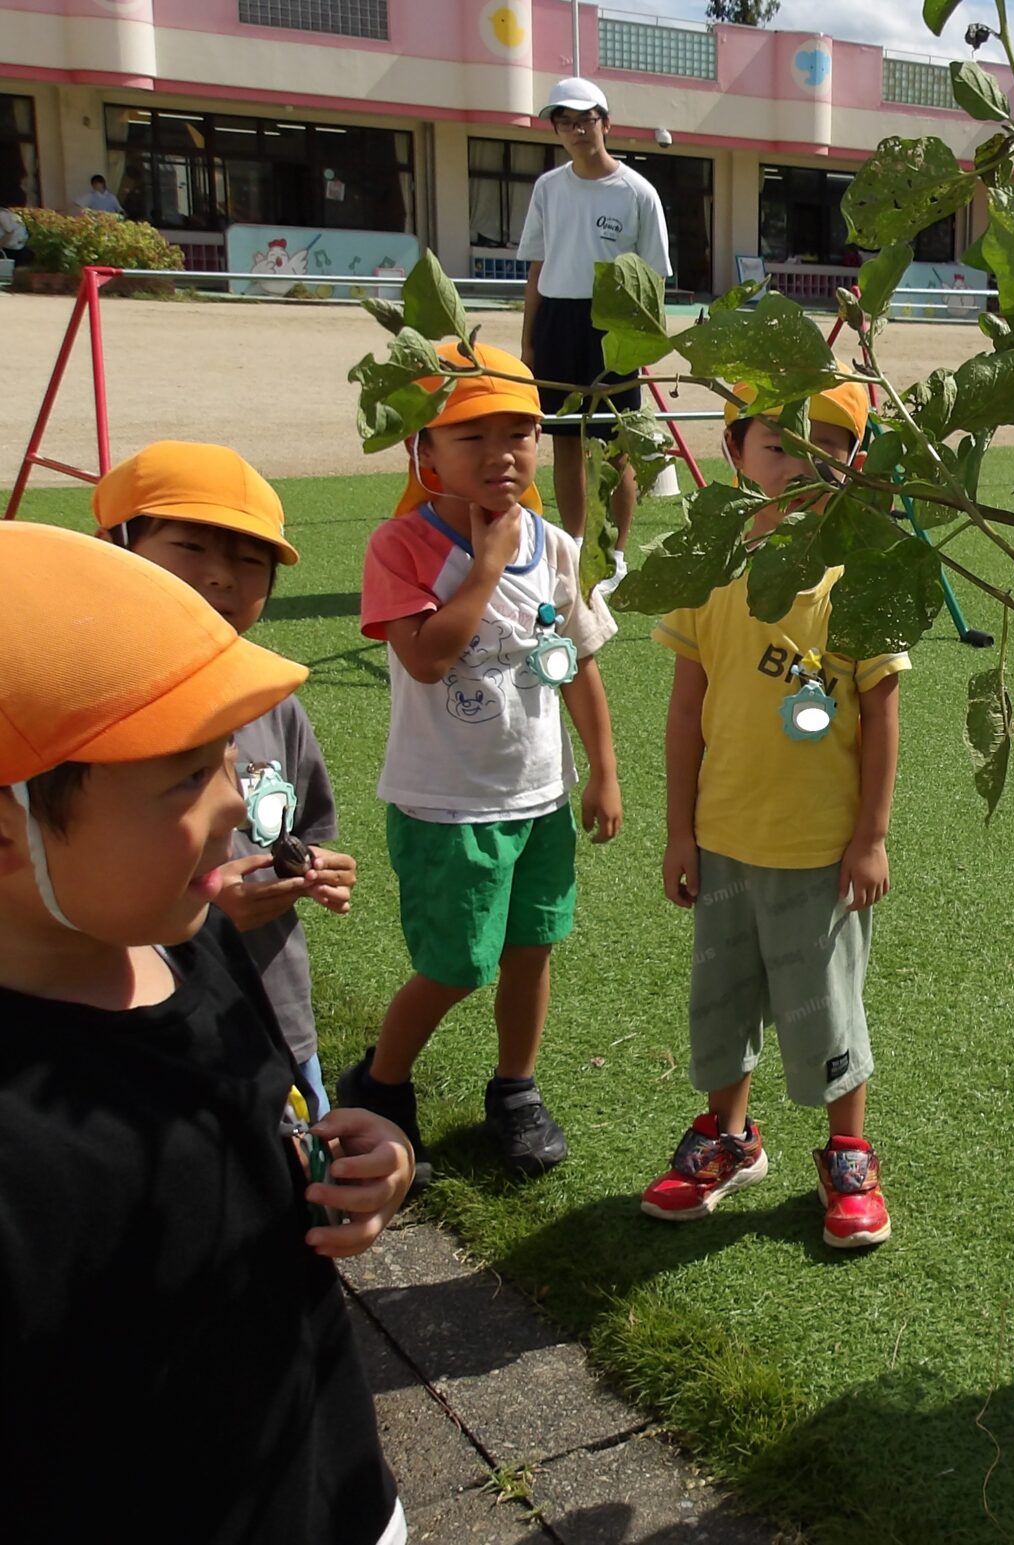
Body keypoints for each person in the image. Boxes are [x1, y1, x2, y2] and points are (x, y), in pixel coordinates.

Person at [0, 523, 414, 1545]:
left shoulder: (193, 939)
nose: (239, 803)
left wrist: (360, 1169)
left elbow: (253, 1147)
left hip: (330, 1484)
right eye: (189, 777)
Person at [340, 341, 622, 1182]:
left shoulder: (558, 546)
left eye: (519, 433)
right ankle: (382, 1081)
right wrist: (487, 563)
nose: (502, 453)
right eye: (471, 436)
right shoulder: (400, 546)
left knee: (533, 946)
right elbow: (427, 658)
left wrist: (602, 768)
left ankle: (516, 1088)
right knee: (454, 963)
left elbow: (578, 663)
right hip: (446, 803)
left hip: (538, 795)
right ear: (422, 452)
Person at [642, 380, 907, 1250]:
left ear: (856, 463)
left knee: (824, 1007)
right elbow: (687, 712)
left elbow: (881, 721)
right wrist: (680, 831)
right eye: (780, 446)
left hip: (819, 852)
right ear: (732, 452)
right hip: (723, 844)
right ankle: (728, 1136)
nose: (802, 467)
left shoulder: (862, 572)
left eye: (828, 449)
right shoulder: (707, 565)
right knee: (723, 1002)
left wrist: (869, 838)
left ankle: (848, 1151)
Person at [93, 441, 357, 1115]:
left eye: (248, 559)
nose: (221, 578)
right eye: (191, 548)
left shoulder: (273, 701)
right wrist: (205, 916)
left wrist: (320, 868)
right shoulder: (83, 716)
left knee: (305, 1179)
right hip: (139, 1020)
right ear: (113, 547)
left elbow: (303, 829)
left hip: (275, 1012)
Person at [517, 75, 673, 579]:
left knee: (615, 447)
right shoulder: (547, 188)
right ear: (557, 130)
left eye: (586, 120)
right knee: (563, 441)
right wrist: (529, 343)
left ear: (606, 123)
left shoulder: (638, 193)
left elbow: (653, 280)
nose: (577, 130)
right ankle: (576, 548)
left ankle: (615, 558)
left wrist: (638, 342)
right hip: (557, 322)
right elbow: (537, 268)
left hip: (612, 328)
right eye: (565, 121)